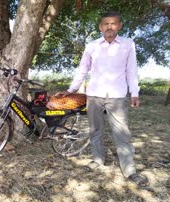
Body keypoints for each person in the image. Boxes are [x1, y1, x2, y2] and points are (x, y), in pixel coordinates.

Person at [57, 11, 149, 188]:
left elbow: (132, 70)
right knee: (95, 130)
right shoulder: (92, 46)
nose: (109, 27)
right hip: (94, 95)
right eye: (106, 24)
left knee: (122, 133)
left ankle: (129, 171)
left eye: (113, 23)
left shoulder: (128, 44)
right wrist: (71, 90)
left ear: (119, 26)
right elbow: (83, 69)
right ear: (100, 27)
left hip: (117, 96)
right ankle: (97, 160)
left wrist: (135, 92)